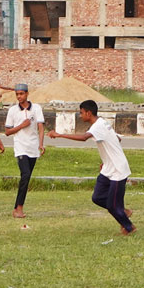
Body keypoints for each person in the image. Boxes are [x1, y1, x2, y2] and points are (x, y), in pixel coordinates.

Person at [48, 100, 136, 235]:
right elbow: (117, 139)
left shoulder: (98, 126)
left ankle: (129, 227)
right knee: (98, 197)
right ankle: (123, 212)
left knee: (112, 206)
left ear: (89, 113)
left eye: (81, 113)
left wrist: (59, 135)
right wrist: (107, 160)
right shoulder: (102, 123)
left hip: (118, 170)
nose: (80, 116)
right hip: (108, 168)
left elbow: (84, 138)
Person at [4, 83, 45, 218]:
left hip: (33, 148)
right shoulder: (13, 111)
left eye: (21, 94)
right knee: (25, 175)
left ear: (27, 94)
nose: (19, 97)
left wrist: (41, 144)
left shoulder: (37, 108)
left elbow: (40, 127)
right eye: (17, 94)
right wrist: (21, 125)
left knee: (26, 178)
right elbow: (8, 131)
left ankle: (16, 208)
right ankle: (19, 208)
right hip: (20, 147)